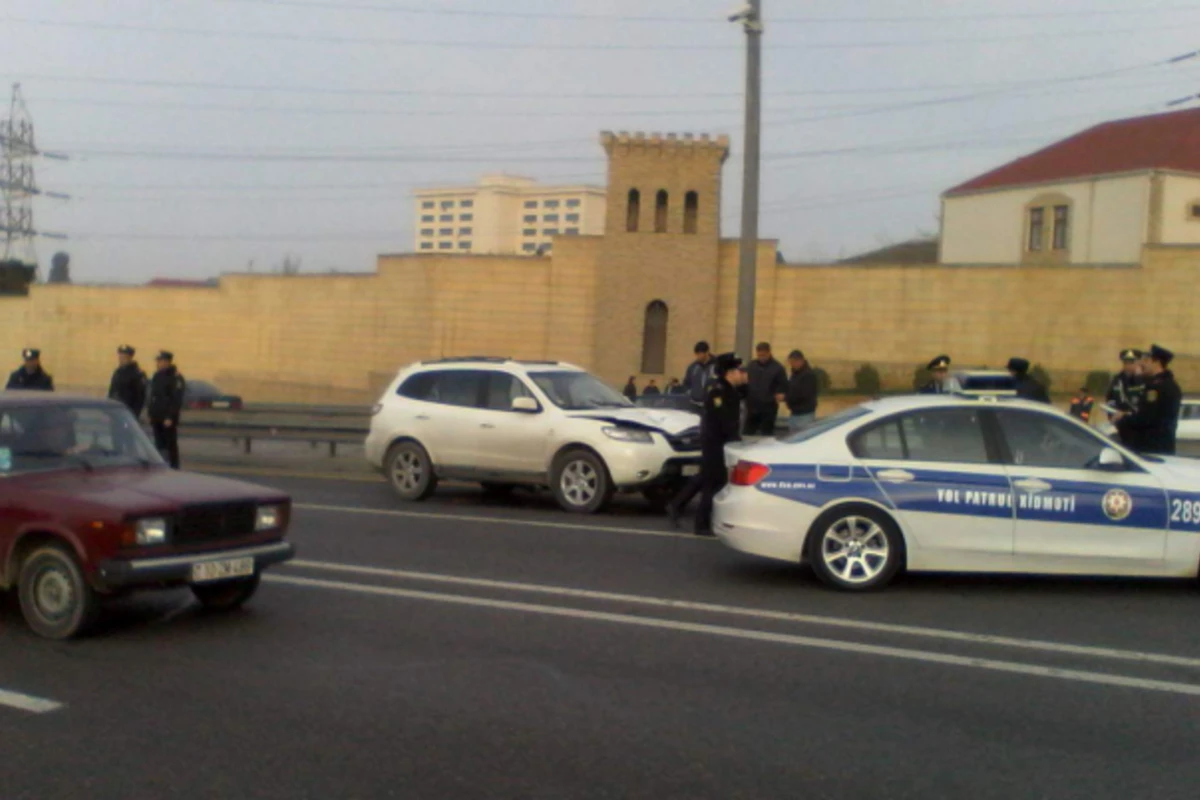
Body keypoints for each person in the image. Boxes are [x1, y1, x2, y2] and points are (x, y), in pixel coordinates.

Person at [693, 353, 747, 537]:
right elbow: (723, 419)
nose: (742, 374)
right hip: (715, 445)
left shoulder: (730, 390)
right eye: (739, 371)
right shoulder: (719, 391)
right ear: (729, 373)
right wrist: (735, 439)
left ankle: (708, 521)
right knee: (711, 485)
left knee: (717, 484)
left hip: (722, 444)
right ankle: (701, 524)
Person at [1115, 344, 1182, 455]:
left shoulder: (1156, 388)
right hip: (1159, 447)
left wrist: (1122, 419)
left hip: (1152, 448)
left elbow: (1146, 419)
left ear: (1157, 363)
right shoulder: (1166, 384)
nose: (1142, 364)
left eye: (1146, 361)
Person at [147, 351, 186, 469]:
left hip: (167, 418)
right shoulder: (157, 376)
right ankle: (162, 465)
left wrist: (170, 416)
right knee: (159, 444)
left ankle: (174, 466)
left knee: (170, 444)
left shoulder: (175, 377)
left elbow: (176, 399)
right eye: (157, 361)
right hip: (156, 416)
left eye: (160, 361)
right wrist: (150, 413)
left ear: (167, 362)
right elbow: (152, 396)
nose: (158, 364)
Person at [744, 342, 787, 436]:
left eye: (763, 355)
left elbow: (783, 386)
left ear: (769, 353)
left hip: (768, 408)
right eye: (759, 355)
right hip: (752, 407)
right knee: (747, 433)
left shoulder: (777, 368)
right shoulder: (752, 366)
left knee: (766, 435)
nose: (761, 358)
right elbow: (745, 381)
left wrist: (779, 395)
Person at [1106, 349, 1144, 431]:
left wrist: (1139, 378)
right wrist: (1111, 415)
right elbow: (1110, 399)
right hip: (1120, 424)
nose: (1128, 366)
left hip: (1138, 424)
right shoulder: (1117, 379)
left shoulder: (1144, 380)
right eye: (1125, 363)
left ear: (1138, 363)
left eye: (1131, 363)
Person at [108, 344, 147, 418]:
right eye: (120, 356)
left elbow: (140, 396)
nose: (121, 359)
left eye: (124, 357)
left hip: (128, 411)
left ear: (130, 358)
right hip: (115, 410)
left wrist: (135, 413)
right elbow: (112, 390)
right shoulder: (118, 371)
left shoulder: (137, 373)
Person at [785, 349, 818, 433]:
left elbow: (803, 394)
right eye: (790, 363)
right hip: (794, 413)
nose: (791, 365)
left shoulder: (808, 375)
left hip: (805, 415)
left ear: (800, 361)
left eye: (793, 362)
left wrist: (786, 397)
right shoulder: (794, 374)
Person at [683, 341, 716, 409]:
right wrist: (690, 392)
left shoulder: (717, 366)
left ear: (707, 352)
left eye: (699, 354)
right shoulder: (693, 367)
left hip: (711, 405)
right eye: (696, 354)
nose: (698, 356)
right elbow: (686, 382)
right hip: (694, 404)